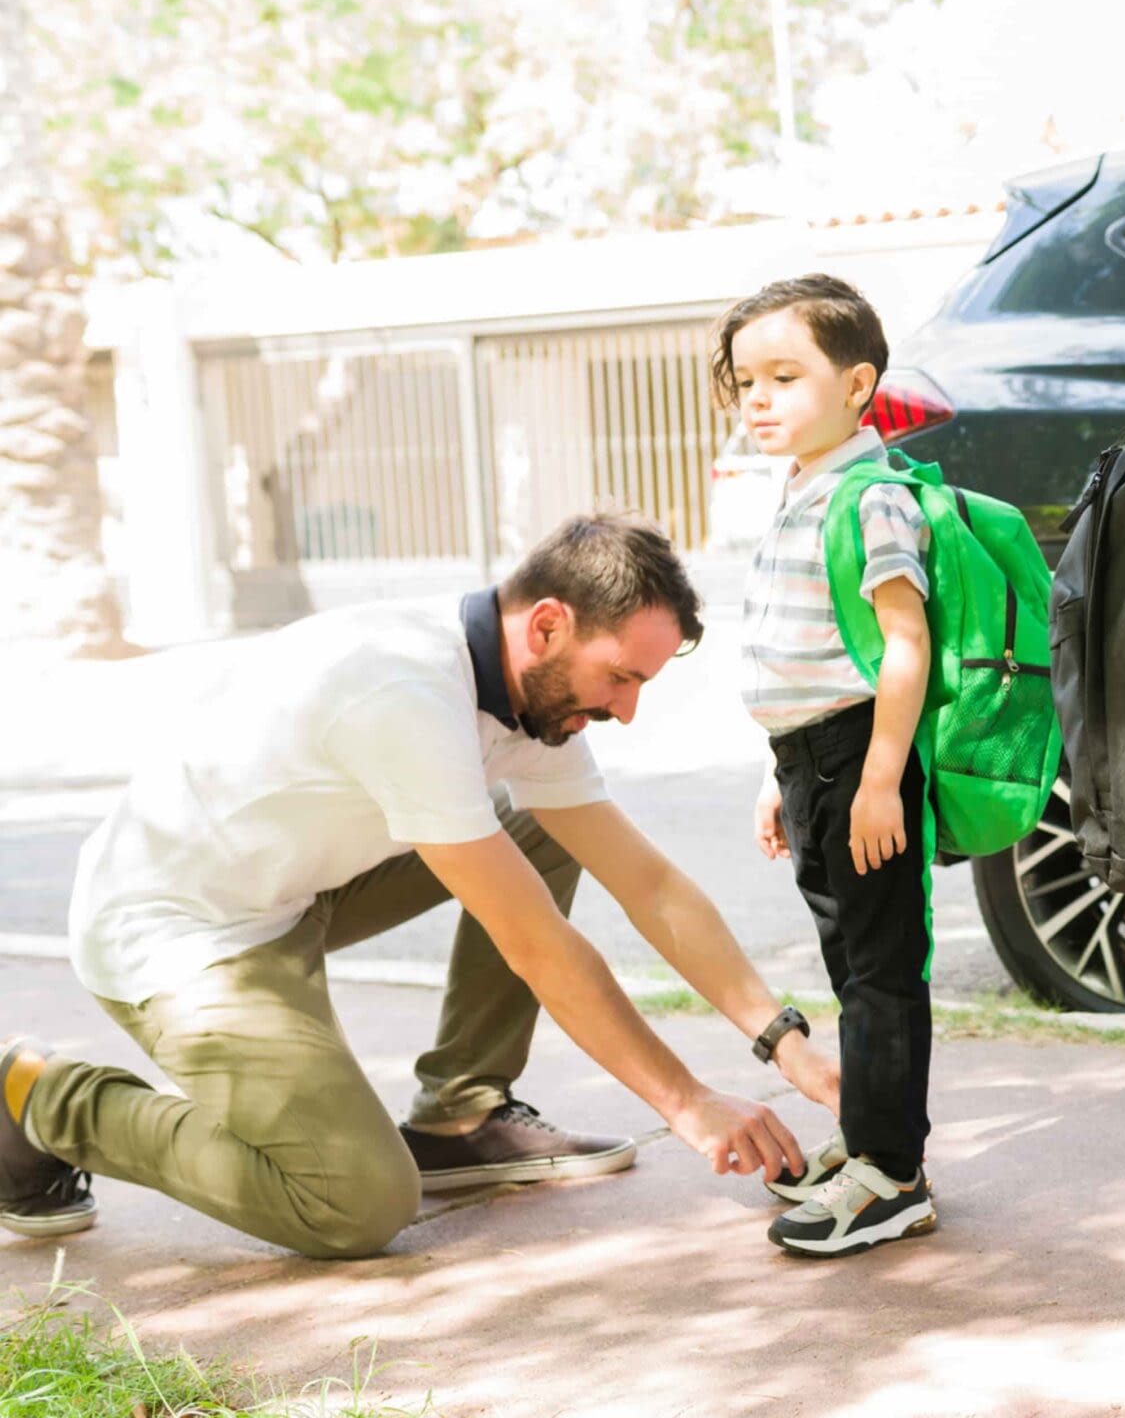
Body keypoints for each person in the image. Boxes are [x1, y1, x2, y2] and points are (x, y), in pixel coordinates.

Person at [1, 514, 830, 1258]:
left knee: (534, 826)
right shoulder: (405, 690)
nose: (627, 710)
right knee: (353, 1202)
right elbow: (536, 944)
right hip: (180, 934)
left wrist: (785, 1043)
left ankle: (459, 1116)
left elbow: (648, 883)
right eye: (621, 678)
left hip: (295, 889)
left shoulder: (526, 697)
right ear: (547, 624)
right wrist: (686, 1103)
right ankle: (43, 1098)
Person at [716, 274, 941, 1258]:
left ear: (858, 385)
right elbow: (813, 648)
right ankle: (871, 1153)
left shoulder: (872, 495)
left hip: (859, 756)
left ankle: (891, 1175)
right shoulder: (802, 491)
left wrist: (881, 777)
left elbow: (902, 643)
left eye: (783, 376)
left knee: (883, 974)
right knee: (854, 968)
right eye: (744, 381)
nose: (758, 398)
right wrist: (779, 773)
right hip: (811, 759)